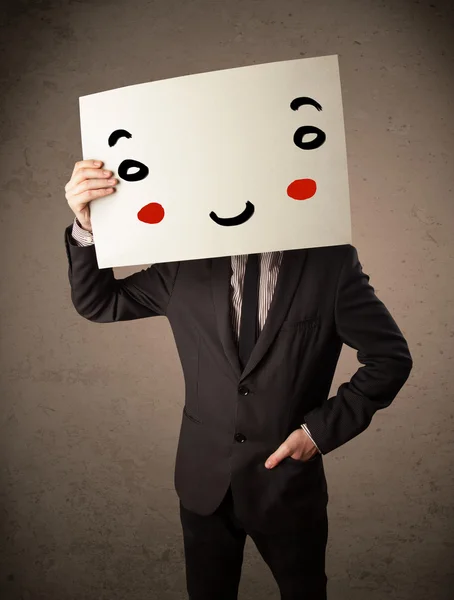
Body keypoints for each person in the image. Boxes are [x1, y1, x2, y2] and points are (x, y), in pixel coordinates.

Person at [64, 159, 413, 600]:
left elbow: (389, 358)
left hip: (286, 484)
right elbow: (99, 303)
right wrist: (86, 226)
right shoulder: (183, 262)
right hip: (202, 481)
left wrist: (317, 433)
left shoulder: (330, 263)